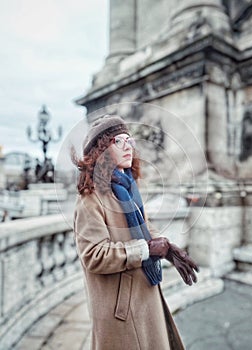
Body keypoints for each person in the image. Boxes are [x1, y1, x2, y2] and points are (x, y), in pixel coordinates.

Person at [72, 115, 199, 350]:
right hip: (122, 310)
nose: (128, 146)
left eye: (129, 140)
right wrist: (145, 250)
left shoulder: (128, 188)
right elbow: (94, 255)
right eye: (118, 141)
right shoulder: (90, 201)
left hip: (143, 296)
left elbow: (144, 228)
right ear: (100, 151)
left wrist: (167, 248)